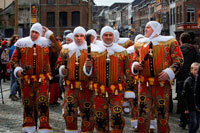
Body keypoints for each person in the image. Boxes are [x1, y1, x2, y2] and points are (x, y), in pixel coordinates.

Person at [132, 21, 183, 132]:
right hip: (144, 85)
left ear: (155, 29)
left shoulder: (170, 42)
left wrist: (170, 71)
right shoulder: (139, 44)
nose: (145, 29)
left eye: (148, 27)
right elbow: (134, 59)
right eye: (145, 27)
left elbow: (179, 60)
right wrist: (135, 66)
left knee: (162, 113)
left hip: (162, 85)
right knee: (142, 113)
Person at [10, 22, 62, 133]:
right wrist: (17, 70)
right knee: (27, 103)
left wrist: (50, 35)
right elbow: (14, 60)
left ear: (40, 34)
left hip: (42, 79)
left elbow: (59, 48)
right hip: (26, 79)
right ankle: (29, 126)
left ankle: (44, 126)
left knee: (43, 103)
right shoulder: (21, 43)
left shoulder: (46, 44)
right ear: (30, 32)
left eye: (37, 33)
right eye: (32, 32)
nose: (34, 35)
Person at [84, 26, 128, 132]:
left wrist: (129, 92)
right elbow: (87, 74)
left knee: (117, 116)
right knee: (100, 119)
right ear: (101, 36)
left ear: (113, 36)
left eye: (110, 35)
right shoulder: (93, 52)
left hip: (116, 91)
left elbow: (128, 72)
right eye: (105, 35)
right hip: (99, 91)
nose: (108, 37)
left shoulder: (121, 51)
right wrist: (87, 67)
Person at [58, 26, 94, 133]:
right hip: (71, 87)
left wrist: (89, 68)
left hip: (87, 88)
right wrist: (62, 69)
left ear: (85, 37)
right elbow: (58, 64)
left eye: (81, 36)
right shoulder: (66, 49)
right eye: (76, 36)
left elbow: (97, 70)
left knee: (88, 113)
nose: (79, 38)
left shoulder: (92, 50)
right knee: (69, 111)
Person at [176, 33, 199, 129]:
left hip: (181, 79)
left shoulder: (178, 50)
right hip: (192, 78)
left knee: (182, 99)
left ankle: (183, 120)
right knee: (192, 97)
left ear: (181, 41)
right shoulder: (194, 50)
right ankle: (192, 119)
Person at [183, 62, 199, 133]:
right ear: (191, 70)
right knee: (193, 122)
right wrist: (186, 108)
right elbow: (184, 96)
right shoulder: (188, 81)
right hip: (191, 106)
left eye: (198, 70)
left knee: (197, 124)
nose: (197, 71)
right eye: (195, 70)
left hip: (198, 106)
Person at [9, 34, 20, 101]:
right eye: (16, 39)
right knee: (16, 81)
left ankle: (15, 93)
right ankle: (12, 93)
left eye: (18, 39)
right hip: (14, 66)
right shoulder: (13, 48)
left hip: (16, 66)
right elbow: (13, 58)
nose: (17, 40)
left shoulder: (17, 47)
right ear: (13, 40)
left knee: (14, 80)